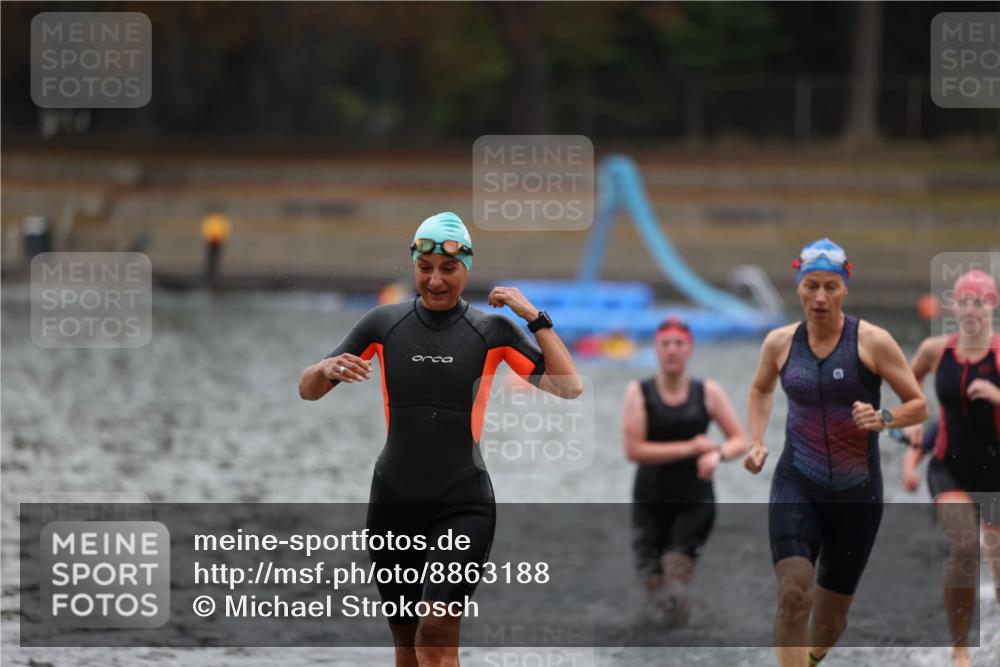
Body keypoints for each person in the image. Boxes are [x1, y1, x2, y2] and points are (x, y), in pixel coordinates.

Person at [298, 212, 582, 667]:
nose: (434, 280)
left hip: (463, 502)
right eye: (425, 268)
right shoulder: (382, 323)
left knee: (436, 627)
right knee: (407, 642)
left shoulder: (493, 331)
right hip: (393, 500)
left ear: (466, 268)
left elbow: (570, 386)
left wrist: (535, 317)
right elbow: (307, 391)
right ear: (414, 266)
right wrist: (324, 369)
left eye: (447, 269)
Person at [742, 239, 928, 667]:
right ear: (799, 289)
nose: (820, 297)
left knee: (829, 623)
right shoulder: (779, 343)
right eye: (811, 286)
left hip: (857, 493)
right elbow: (760, 388)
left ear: (845, 288)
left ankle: (812, 657)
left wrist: (883, 417)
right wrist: (756, 440)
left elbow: (918, 404)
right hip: (797, 483)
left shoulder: (873, 342)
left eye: (830, 286)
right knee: (793, 593)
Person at [900, 269, 1000, 667]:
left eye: (980, 301)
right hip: (949, 468)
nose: (971, 309)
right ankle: (961, 651)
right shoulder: (934, 350)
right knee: (963, 545)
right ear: (952, 307)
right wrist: (908, 424)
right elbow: (906, 387)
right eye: (964, 301)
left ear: (992, 305)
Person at [621, 317, 748, 625]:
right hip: (650, 501)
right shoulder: (639, 392)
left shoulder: (707, 392)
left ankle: (683, 644)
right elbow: (634, 450)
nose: (672, 351)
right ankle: (667, 634)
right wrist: (690, 448)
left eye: (679, 344)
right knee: (654, 586)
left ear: (689, 349)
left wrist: (718, 454)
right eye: (665, 344)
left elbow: (740, 439)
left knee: (676, 570)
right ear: (656, 350)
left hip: (694, 500)